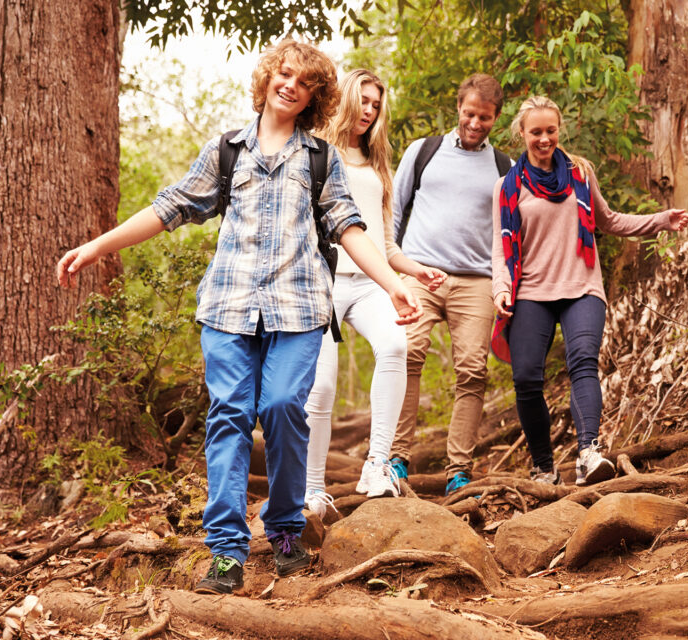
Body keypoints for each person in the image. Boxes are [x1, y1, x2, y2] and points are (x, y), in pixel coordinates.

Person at [56, 40, 421, 593]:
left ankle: (285, 529)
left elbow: (349, 228)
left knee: (282, 407)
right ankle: (226, 551)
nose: (291, 85)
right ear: (268, 77)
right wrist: (97, 247)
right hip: (228, 309)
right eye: (284, 74)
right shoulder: (226, 150)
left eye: (305, 82)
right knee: (229, 415)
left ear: (315, 98)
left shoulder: (320, 160)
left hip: (298, 310)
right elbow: (168, 208)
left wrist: (393, 285)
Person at [491, 95, 688, 486]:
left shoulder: (579, 174)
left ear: (559, 130)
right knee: (527, 378)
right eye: (536, 132)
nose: (544, 139)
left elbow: (609, 220)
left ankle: (588, 453)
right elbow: (501, 245)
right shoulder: (507, 187)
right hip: (530, 291)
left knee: (583, 362)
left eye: (551, 131)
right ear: (522, 134)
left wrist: (660, 220)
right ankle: (543, 467)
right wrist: (500, 288)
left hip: (581, 285)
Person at [303, 69, 446, 513]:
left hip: (370, 282)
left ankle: (377, 465)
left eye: (376, 105)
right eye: (363, 100)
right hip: (322, 280)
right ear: (346, 98)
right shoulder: (315, 151)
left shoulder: (378, 164)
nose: (369, 110)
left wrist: (416, 271)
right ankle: (311, 489)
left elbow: (384, 244)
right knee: (322, 386)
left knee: (396, 345)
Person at [390, 74, 512, 495]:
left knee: (473, 372)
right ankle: (395, 459)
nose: (475, 123)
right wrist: (391, 271)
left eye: (485, 117)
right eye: (469, 113)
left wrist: (504, 283)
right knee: (406, 354)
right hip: (419, 272)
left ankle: (459, 472)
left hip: (476, 281)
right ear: (458, 108)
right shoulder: (423, 151)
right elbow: (394, 211)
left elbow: (509, 233)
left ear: (496, 118)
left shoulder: (504, 168)